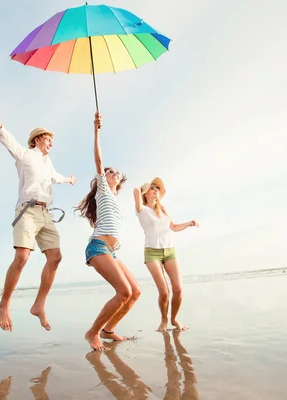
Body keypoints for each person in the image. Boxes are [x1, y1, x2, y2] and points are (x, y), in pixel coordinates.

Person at [0, 79, 77, 332]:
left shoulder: (48, 163)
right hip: (27, 211)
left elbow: (57, 176)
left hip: (45, 213)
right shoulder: (24, 154)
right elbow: (2, 131)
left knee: (55, 257)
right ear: (38, 139)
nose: (51, 143)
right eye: (48, 139)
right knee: (22, 256)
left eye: (52, 140)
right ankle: (4, 304)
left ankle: (39, 305)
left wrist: (69, 179)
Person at [75, 111, 141, 351]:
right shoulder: (103, 189)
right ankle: (92, 333)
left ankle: (108, 330)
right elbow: (99, 162)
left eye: (116, 173)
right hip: (98, 247)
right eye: (110, 172)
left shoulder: (114, 198)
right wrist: (96, 130)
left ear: (119, 182)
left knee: (135, 292)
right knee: (123, 291)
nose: (113, 174)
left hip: (111, 252)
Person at [134, 178, 198, 331]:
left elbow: (174, 227)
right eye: (152, 188)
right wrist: (143, 187)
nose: (155, 189)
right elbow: (135, 191)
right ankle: (163, 320)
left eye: (157, 188)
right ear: (145, 193)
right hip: (152, 253)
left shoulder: (162, 210)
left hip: (169, 251)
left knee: (178, 290)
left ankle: (174, 319)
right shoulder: (142, 210)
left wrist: (189, 223)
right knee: (164, 292)